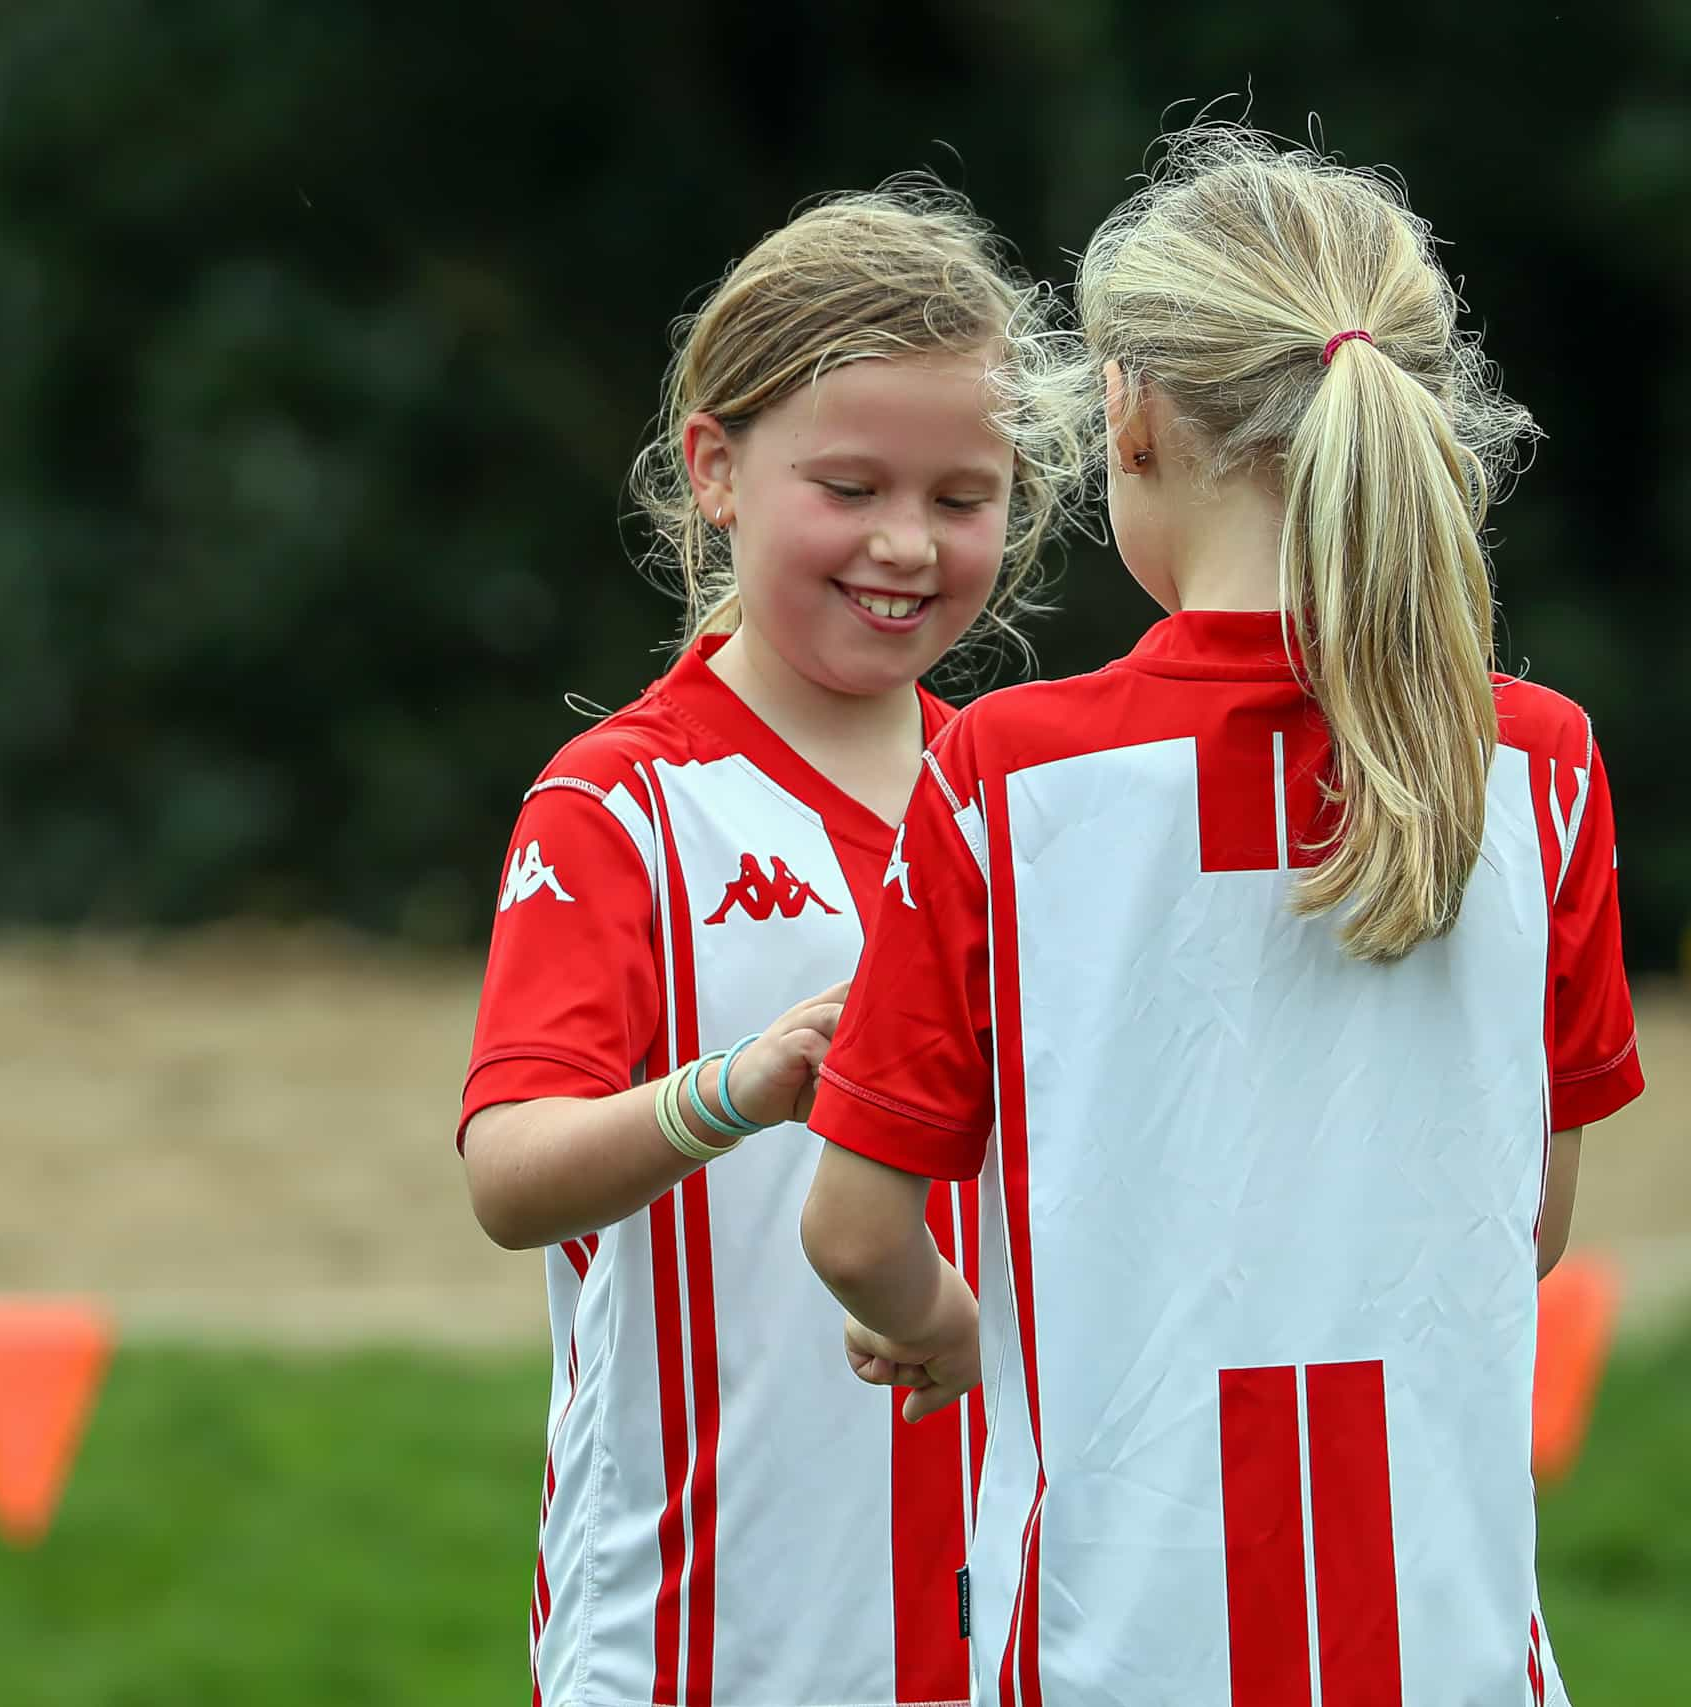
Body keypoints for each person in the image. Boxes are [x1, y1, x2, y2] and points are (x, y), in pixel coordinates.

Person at [799, 127, 1645, 1705]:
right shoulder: (1541, 763)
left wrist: (938, 1324)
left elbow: (854, 1226)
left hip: (1113, 1650)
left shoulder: (1007, 773)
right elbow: (1525, 1225)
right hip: (1451, 1652)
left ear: (1124, 408)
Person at [457, 184, 1080, 1707]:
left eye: (960, 496)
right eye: (851, 486)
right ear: (716, 469)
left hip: (1005, 1624)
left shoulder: (1031, 803)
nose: (907, 544)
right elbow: (509, 1173)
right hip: (699, 1638)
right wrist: (740, 1083)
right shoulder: (622, 805)